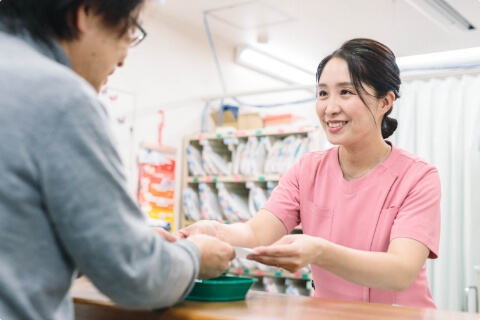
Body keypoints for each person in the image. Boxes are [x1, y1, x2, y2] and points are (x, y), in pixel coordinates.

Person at [0, 1, 235, 320]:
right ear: (85, 13)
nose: (124, 57)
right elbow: (135, 274)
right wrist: (195, 255)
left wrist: (126, 236)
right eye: (128, 29)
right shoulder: (63, 99)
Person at [175, 38, 441, 308]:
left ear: (385, 101)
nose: (330, 107)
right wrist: (212, 231)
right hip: (329, 315)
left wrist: (320, 251)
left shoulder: (418, 177)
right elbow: (256, 233)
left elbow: (400, 271)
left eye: (346, 92)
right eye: (323, 93)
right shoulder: (307, 170)